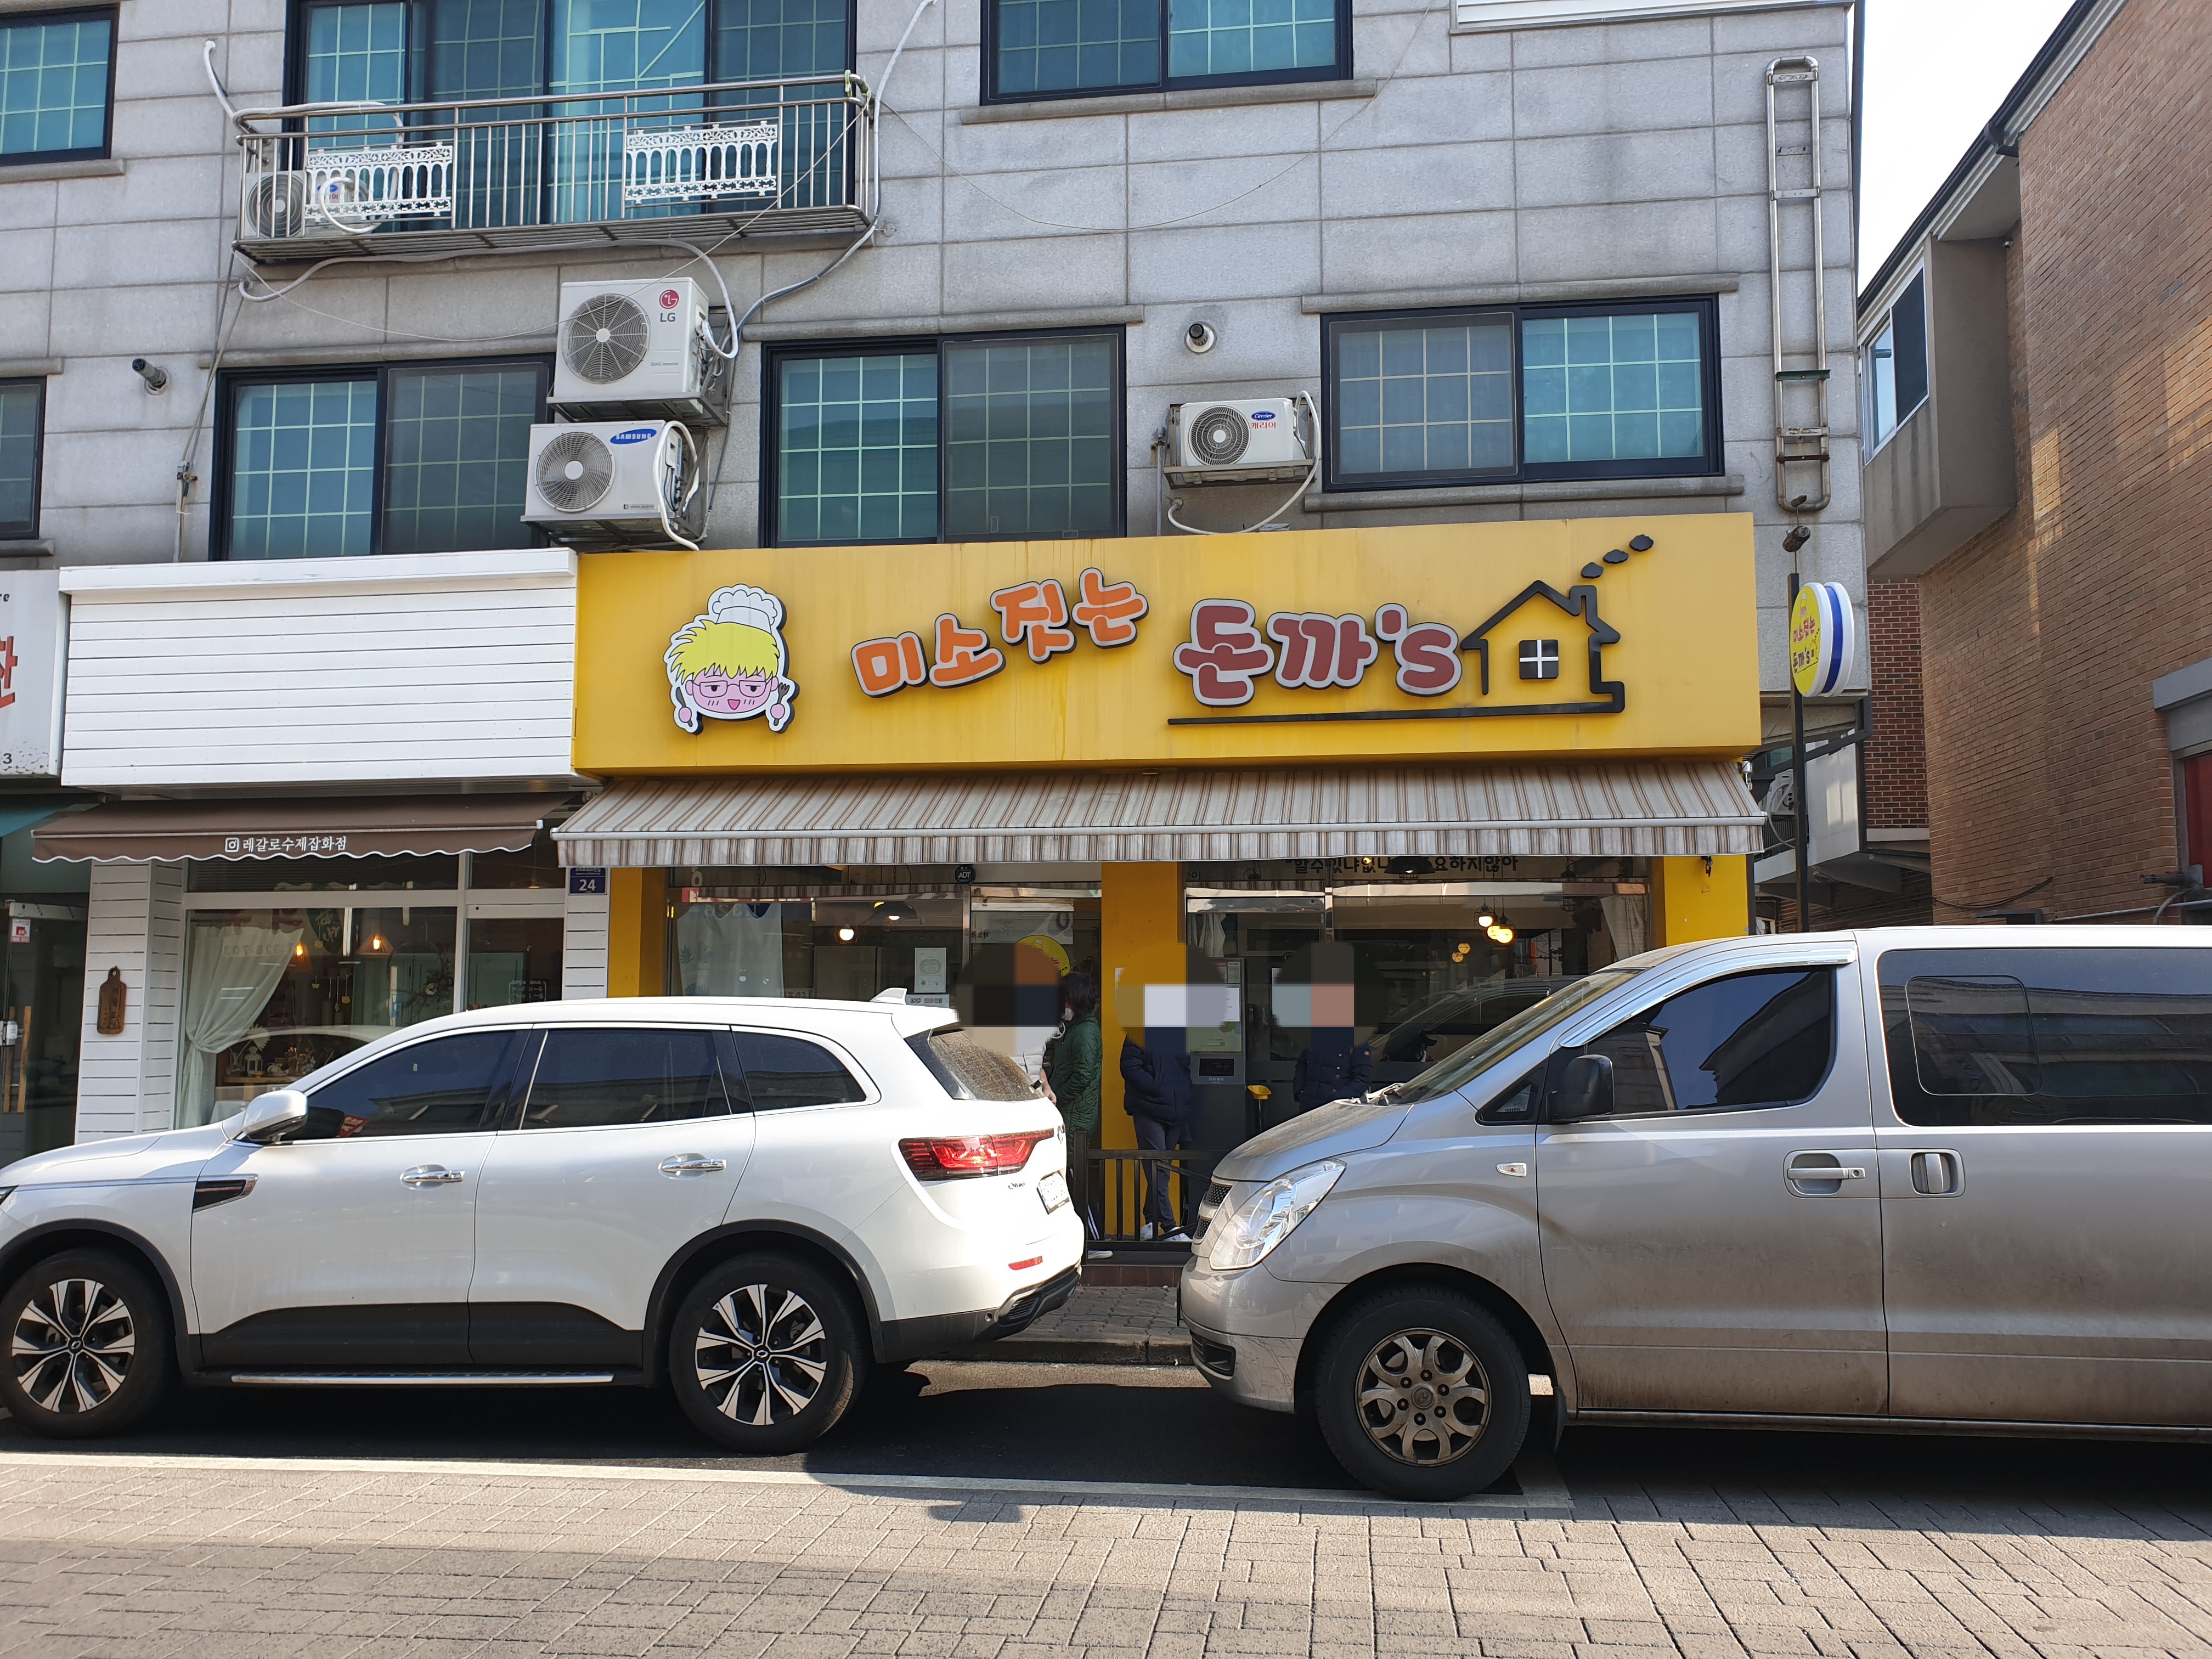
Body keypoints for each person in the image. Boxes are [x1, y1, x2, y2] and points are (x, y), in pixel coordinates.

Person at [1120, 1032, 1197, 1241]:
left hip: (1174, 1111)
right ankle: (1170, 1227)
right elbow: (1129, 1067)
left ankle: (1151, 1222)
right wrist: (1157, 1088)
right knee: (1159, 1168)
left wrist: (1183, 1092)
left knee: (1161, 1170)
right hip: (1149, 1111)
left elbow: (1185, 1068)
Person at [1047, 972, 1101, 1232]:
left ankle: (1093, 1240)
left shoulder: (1085, 1032)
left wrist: (1057, 1097)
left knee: (1074, 1178)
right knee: (1071, 1176)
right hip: (1071, 1112)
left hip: (1075, 1116)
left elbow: (1083, 1075)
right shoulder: (1076, 1029)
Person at [1292, 1032, 1372, 1113]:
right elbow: (1302, 1065)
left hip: (1338, 1110)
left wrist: (1338, 1098)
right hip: (1308, 1107)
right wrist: (1300, 1092)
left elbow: (1363, 1078)